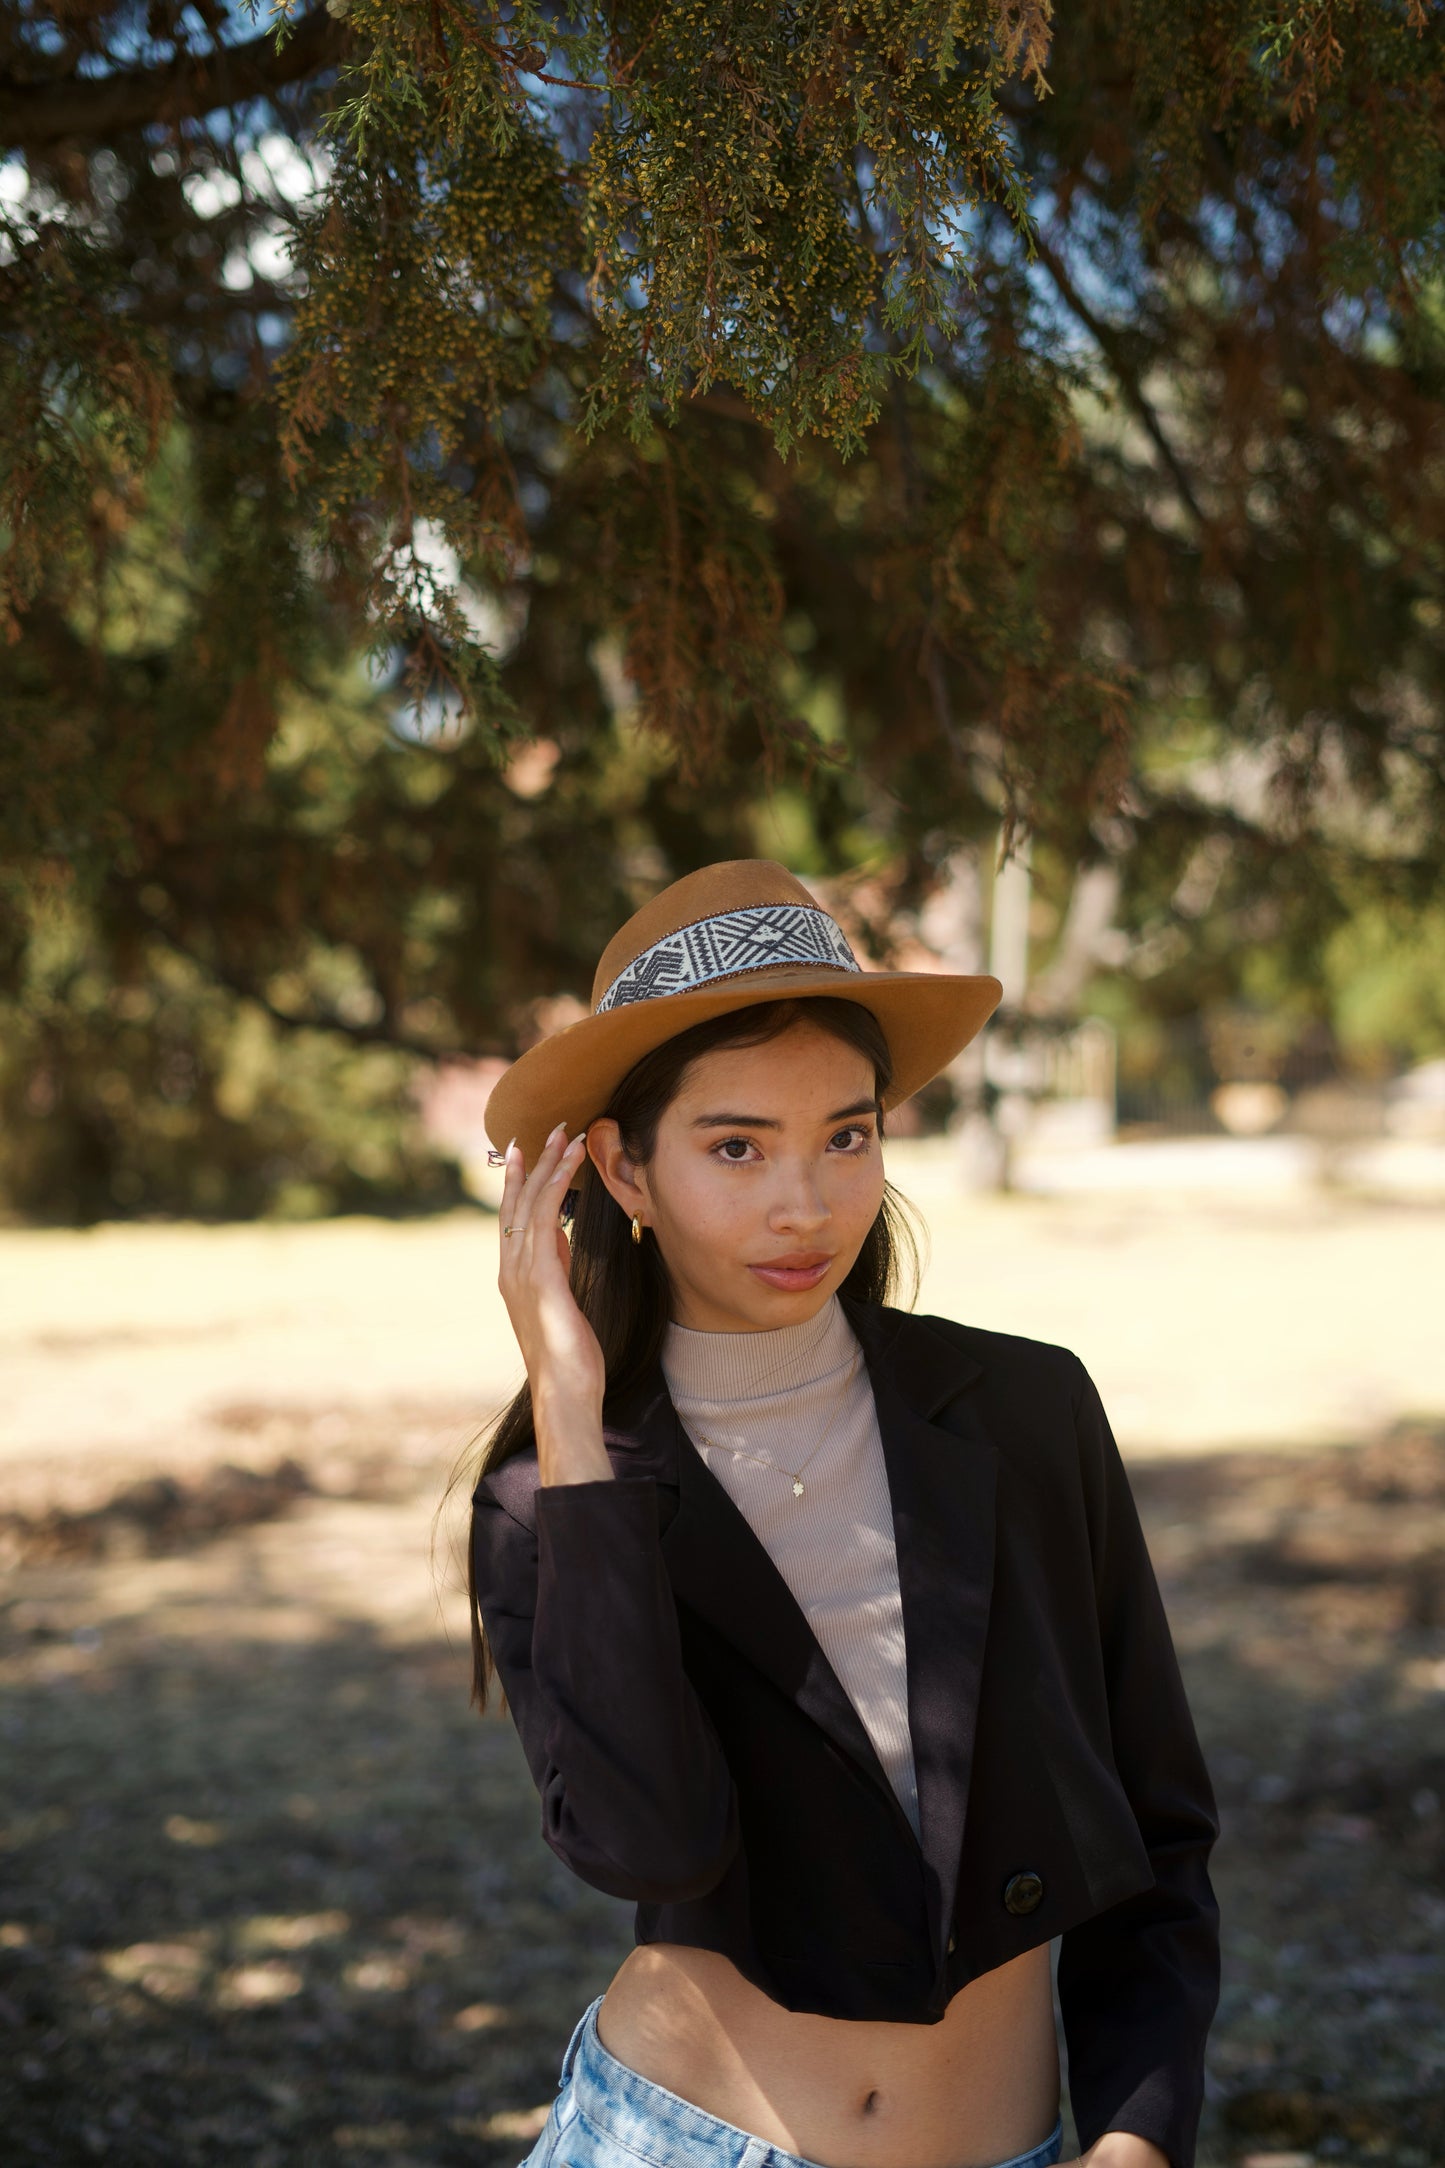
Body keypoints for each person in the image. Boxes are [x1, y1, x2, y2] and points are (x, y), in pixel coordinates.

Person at [468, 860, 1219, 2168]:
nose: (804, 1205)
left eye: (846, 1134)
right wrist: (574, 1415)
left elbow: (1155, 1824)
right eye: (735, 1145)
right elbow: (650, 1841)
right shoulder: (554, 1494)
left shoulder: (1027, 1416)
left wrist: (1137, 2131)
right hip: (670, 2140)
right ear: (621, 1171)